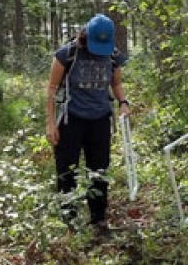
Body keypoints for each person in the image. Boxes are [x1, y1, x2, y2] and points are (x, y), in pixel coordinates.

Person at [45, 14, 130, 238]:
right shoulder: (68, 54)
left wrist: (123, 102)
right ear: (85, 36)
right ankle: (69, 223)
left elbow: (116, 82)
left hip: (100, 121)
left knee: (99, 172)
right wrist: (51, 122)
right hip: (71, 120)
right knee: (66, 173)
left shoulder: (112, 55)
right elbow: (52, 89)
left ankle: (99, 222)